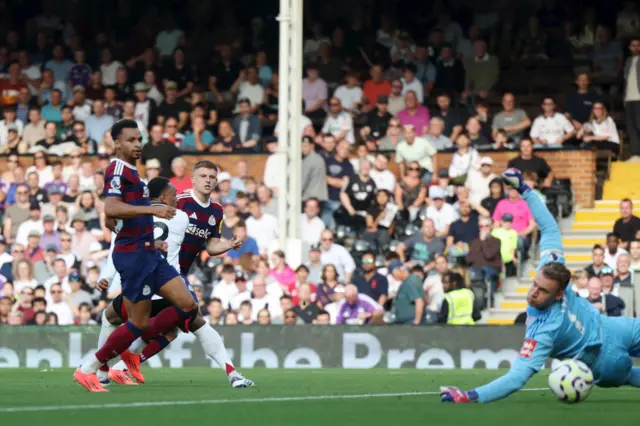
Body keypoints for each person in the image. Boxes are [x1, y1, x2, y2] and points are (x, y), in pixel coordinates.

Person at [440, 167, 640, 404]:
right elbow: (549, 227)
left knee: (628, 375)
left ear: (558, 294)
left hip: (612, 334)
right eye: (535, 285)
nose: (533, 292)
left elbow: (517, 377)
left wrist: (525, 189)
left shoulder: (544, 312)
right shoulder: (545, 304)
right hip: (605, 357)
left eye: (542, 290)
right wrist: (523, 188)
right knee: (627, 373)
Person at [73, 120, 198, 392]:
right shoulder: (117, 169)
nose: (137, 144)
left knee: (187, 305)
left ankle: (126, 356)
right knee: (138, 322)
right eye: (131, 139)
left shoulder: (134, 172)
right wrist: (150, 212)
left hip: (150, 253)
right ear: (117, 143)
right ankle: (89, 368)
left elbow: (115, 217)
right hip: (133, 256)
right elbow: (112, 206)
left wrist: (143, 232)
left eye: (139, 139)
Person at [98, 173, 252, 388]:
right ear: (193, 179)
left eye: (212, 177)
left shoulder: (213, 210)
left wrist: (226, 245)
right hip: (167, 278)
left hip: (151, 276)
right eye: (203, 176)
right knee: (190, 321)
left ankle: (110, 369)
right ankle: (232, 374)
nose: (208, 181)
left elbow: (210, 244)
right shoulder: (181, 209)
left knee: (163, 328)